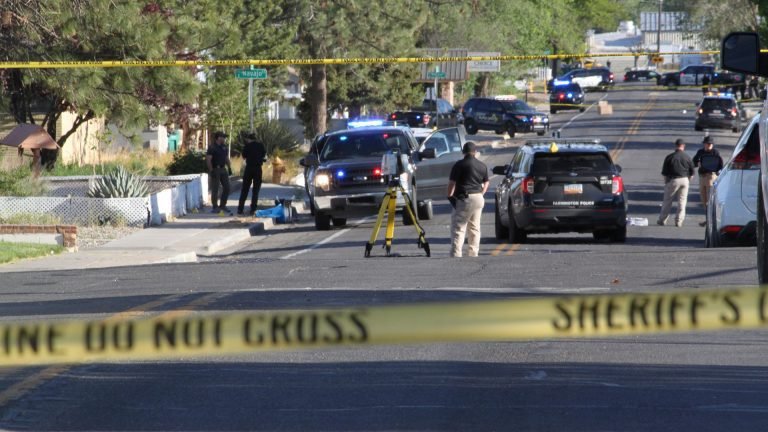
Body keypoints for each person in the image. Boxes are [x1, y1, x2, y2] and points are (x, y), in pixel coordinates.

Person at [447, 142, 489, 257]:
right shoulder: (482, 165)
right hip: (478, 198)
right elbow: (486, 182)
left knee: (459, 227)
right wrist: (482, 193)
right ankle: (473, 253)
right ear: (475, 152)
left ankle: (456, 254)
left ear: (463, 152)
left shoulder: (459, 165)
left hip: (465, 198)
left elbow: (452, 183)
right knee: (475, 227)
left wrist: (450, 195)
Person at [657, 139, 695, 227]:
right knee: (682, 201)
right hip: (685, 180)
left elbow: (665, 173)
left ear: (675, 146)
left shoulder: (670, 157)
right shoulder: (687, 157)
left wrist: (666, 183)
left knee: (667, 201)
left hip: (673, 180)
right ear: (683, 146)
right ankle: (679, 221)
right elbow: (692, 173)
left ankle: (662, 220)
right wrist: (687, 180)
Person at [692, 136, 724, 226]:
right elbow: (693, 162)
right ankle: (708, 219)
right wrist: (697, 163)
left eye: (710, 144)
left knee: (710, 200)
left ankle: (712, 220)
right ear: (704, 144)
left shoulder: (715, 153)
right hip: (702, 177)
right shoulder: (700, 152)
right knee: (704, 200)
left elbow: (720, 166)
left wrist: (718, 173)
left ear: (712, 145)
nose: (708, 146)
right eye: (707, 144)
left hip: (711, 176)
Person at [237, 133, 267, 216]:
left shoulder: (247, 146)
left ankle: (240, 209)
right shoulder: (260, 146)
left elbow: (244, 156)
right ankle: (253, 209)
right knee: (256, 190)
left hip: (249, 168)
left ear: (249, 139)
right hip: (257, 169)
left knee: (245, 189)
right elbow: (264, 156)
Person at [206, 131, 233, 214]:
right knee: (215, 189)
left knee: (227, 187)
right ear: (218, 138)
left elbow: (226, 158)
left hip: (223, 169)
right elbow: (208, 159)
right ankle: (215, 206)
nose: (224, 139)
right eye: (223, 137)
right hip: (215, 169)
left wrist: (229, 167)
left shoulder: (224, 147)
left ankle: (223, 205)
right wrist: (211, 171)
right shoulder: (212, 147)